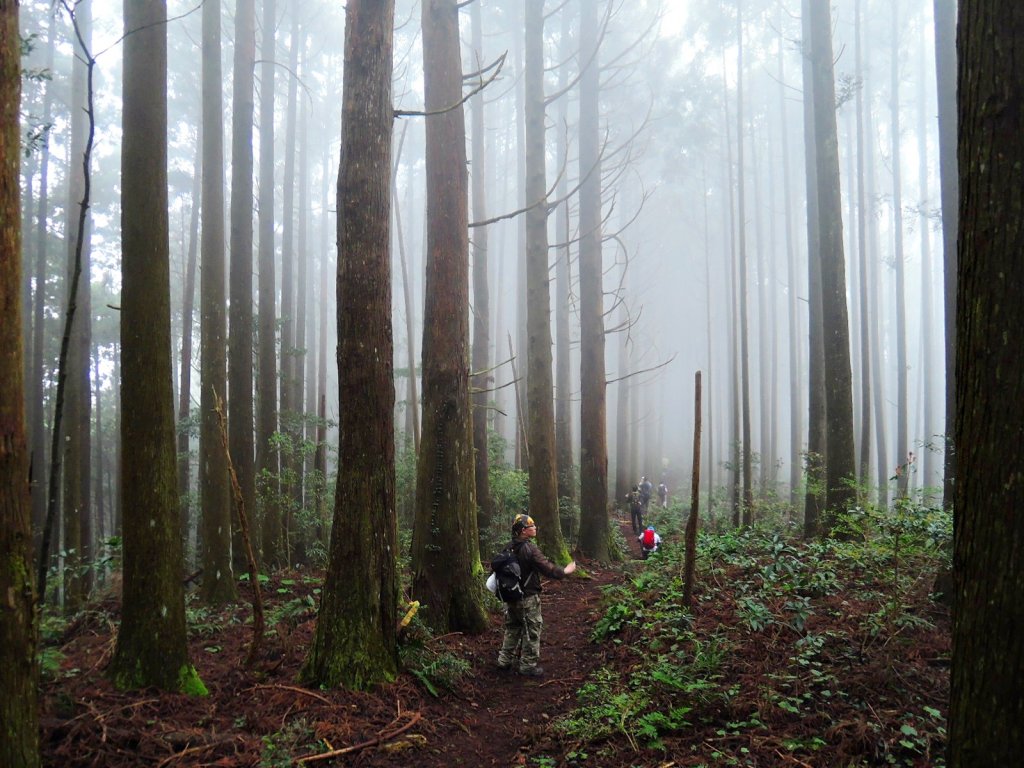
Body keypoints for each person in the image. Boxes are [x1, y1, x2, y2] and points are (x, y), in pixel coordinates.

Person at [496, 514, 576, 677]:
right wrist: (565, 571)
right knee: (532, 630)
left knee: (512, 628)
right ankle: (528, 666)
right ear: (523, 531)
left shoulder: (508, 547)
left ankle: (504, 660)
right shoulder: (529, 549)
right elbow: (546, 567)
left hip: (510, 598)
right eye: (531, 526)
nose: (535, 528)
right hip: (528, 598)